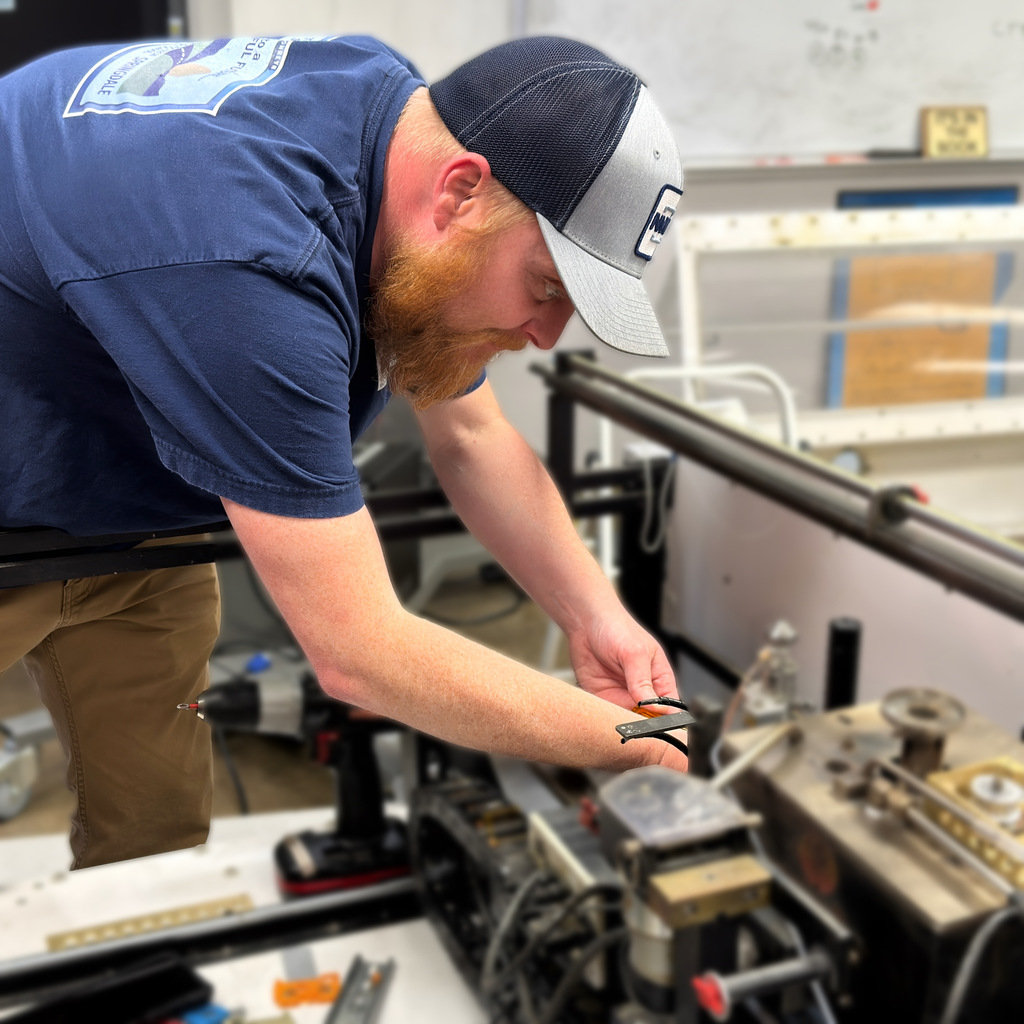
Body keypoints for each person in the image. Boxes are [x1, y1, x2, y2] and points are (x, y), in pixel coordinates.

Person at [0, 33, 686, 869]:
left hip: (126, 503)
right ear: (461, 190)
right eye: (546, 287)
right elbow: (361, 655)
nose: (546, 335)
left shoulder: (396, 128)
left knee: (155, 832)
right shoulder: (247, 268)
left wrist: (597, 617)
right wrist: (637, 742)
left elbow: (471, 435)